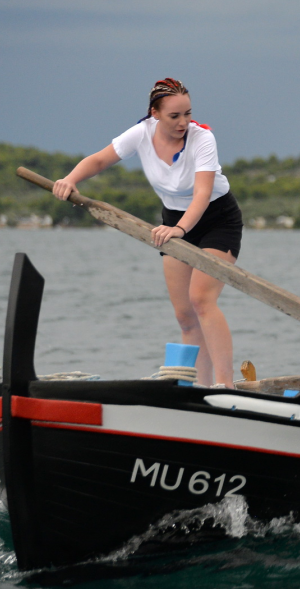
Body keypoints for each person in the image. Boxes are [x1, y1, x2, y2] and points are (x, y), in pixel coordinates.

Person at [52, 78, 242, 388]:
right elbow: (100, 160)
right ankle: (196, 387)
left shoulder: (203, 139)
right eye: (174, 116)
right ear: (154, 113)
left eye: (187, 114)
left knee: (201, 300)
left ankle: (225, 385)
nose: (183, 122)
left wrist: (180, 229)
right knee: (184, 316)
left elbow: (203, 194)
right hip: (173, 221)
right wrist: (70, 179)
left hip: (216, 219)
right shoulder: (140, 134)